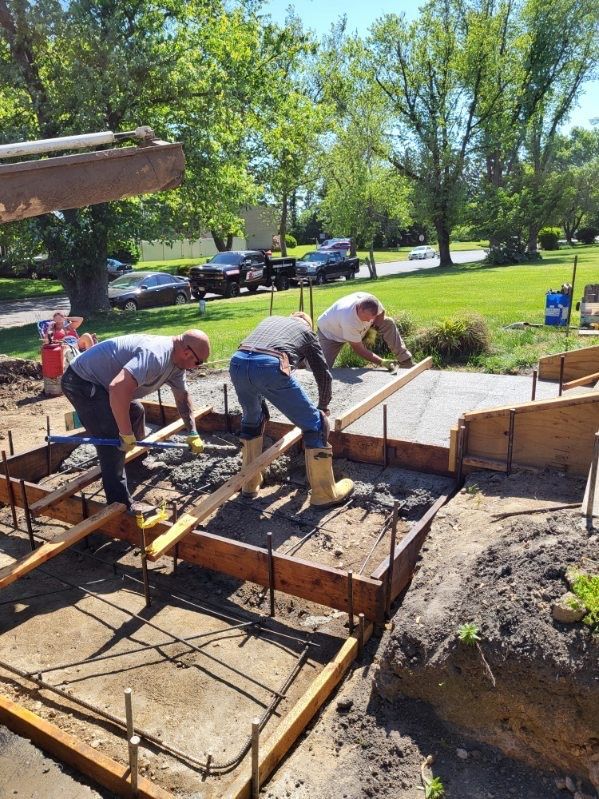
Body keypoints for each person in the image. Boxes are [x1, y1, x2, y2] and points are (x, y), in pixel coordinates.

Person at [61, 330, 210, 511]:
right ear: (187, 353)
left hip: (103, 382)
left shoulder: (177, 365)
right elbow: (117, 388)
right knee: (110, 437)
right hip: (81, 381)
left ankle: (136, 465)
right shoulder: (156, 355)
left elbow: (182, 397)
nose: (196, 367)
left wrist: (192, 431)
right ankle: (120, 504)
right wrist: (125, 433)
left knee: (136, 412)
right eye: (198, 362)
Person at [229, 312, 353, 508]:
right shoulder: (306, 332)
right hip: (269, 365)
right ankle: (325, 493)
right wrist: (322, 406)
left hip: (237, 362)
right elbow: (323, 373)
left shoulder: (270, 320)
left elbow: (255, 357)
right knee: (316, 425)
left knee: (253, 419)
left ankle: (249, 483)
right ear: (307, 325)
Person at [317, 292, 413, 370]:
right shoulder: (348, 319)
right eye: (366, 318)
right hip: (330, 334)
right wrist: (382, 362)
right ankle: (304, 360)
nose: (368, 321)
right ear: (359, 309)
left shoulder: (371, 301)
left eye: (371, 318)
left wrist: (374, 328)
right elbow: (359, 349)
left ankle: (405, 360)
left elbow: (381, 313)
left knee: (388, 322)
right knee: (321, 367)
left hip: (353, 328)